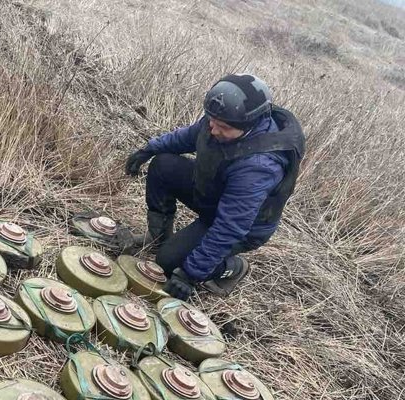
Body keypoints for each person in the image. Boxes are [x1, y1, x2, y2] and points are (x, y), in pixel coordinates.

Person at [124, 74, 305, 300]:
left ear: (249, 125)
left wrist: (191, 273)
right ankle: (158, 235)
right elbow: (188, 137)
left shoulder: (258, 166)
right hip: (215, 194)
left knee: (167, 263)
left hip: (244, 227)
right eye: (212, 121)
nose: (213, 129)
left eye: (223, 127)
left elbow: (231, 226)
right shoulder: (221, 120)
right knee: (163, 163)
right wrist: (149, 149)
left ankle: (233, 268)